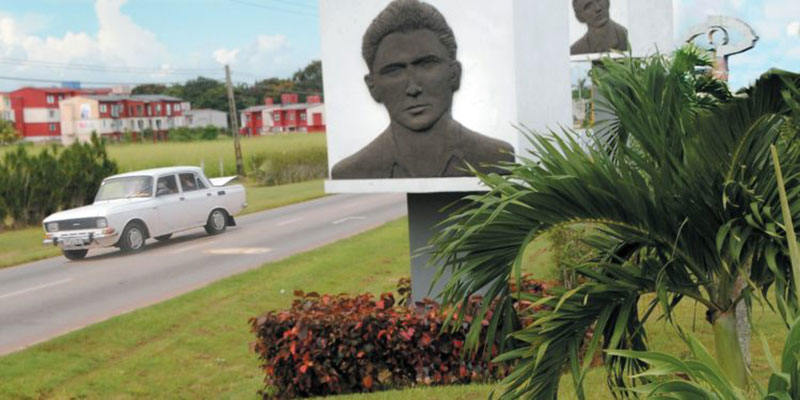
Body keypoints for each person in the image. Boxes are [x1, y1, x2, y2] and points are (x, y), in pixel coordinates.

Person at [331, 0, 514, 179]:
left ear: (454, 74)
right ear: (372, 87)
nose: (413, 88)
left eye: (427, 65)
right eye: (394, 71)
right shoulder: (353, 170)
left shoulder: (497, 156)